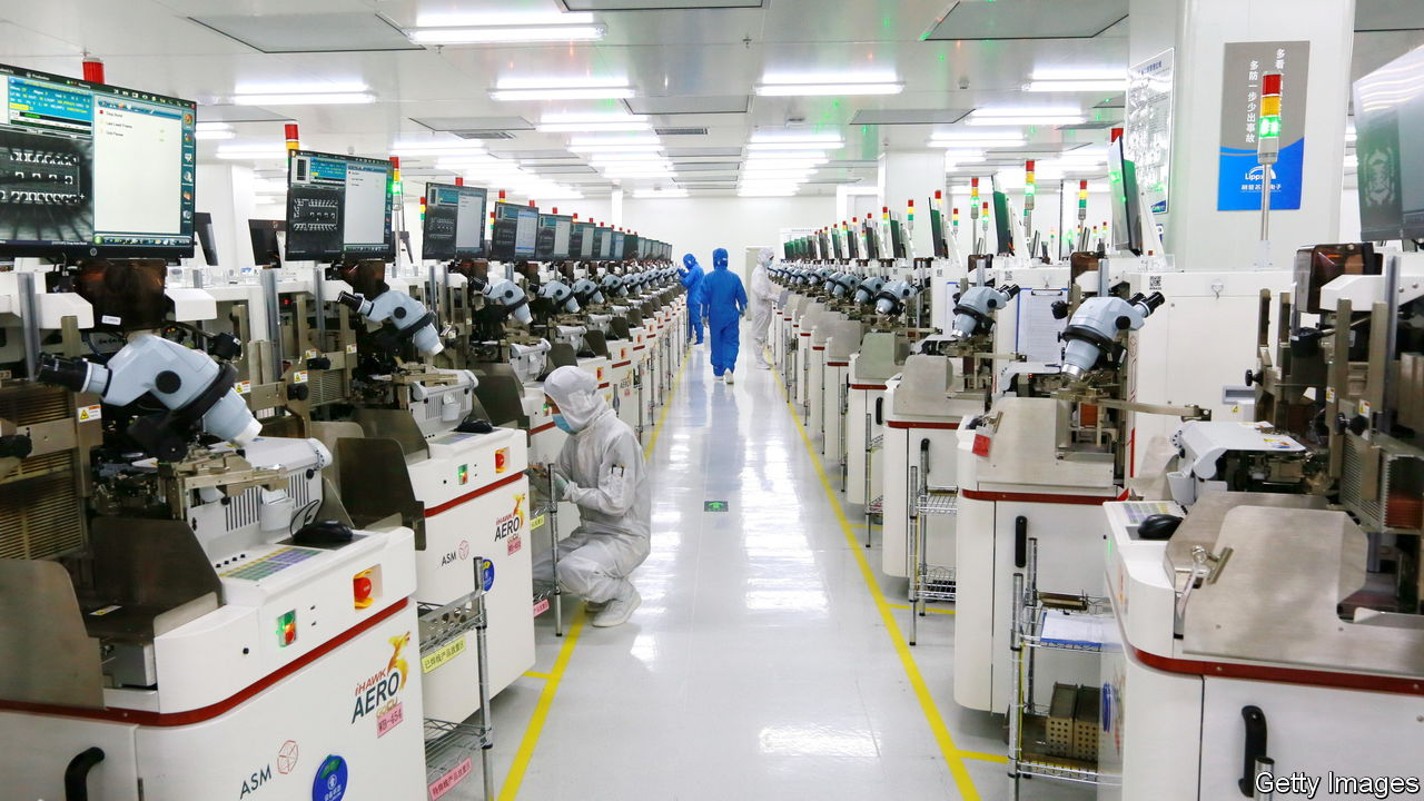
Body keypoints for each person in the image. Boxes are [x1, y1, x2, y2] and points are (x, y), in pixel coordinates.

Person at [533, 366, 651, 627]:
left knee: (571, 569)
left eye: (554, 407)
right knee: (534, 573)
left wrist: (571, 491)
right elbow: (561, 478)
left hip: (624, 536)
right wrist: (541, 481)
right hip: (589, 532)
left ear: (573, 403)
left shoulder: (617, 436)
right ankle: (599, 589)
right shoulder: (578, 436)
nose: (552, 414)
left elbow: (615, 502)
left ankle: (623, 595)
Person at [700, 247, 747, 383]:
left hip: (714, 316)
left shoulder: (708, 278)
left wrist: (704, 315)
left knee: (716, 342)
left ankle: (718, 371)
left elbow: (704, 300)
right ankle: (729, 367)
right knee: (731, 342)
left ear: (714, 260)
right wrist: (743, 311)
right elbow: (742, 299)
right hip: (731, 315)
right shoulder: (734, 277)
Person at [748, 247, 776, 369]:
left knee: (761, 335)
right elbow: (762, 292)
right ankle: (759, 361)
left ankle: (761, 359)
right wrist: (775, 297)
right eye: (770, 258)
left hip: (763, 308)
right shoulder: (759, 272)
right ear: (764, 257)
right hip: (761, 309)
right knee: (758, 336)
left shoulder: (762, 271)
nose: (771, 261)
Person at [679, 253, 705, 346]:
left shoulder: (695, 270)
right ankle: (689, 337)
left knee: (696, 320)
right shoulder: (697, 268)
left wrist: (679, 278)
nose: (685, 265)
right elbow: (689, 275)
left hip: (694, 298)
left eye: (685, 263)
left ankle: (700, 339)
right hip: (696, 297)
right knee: (690, 320)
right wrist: (681, 273)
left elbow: (687, 282)